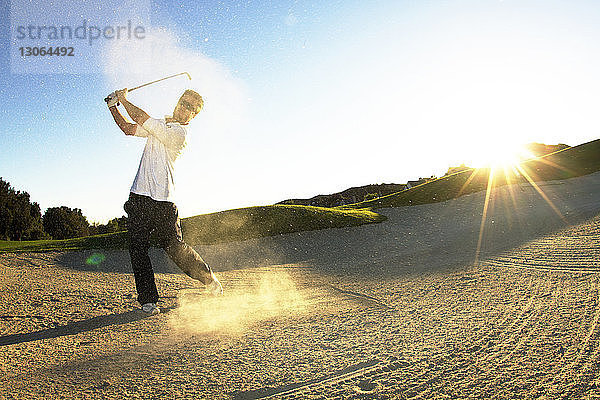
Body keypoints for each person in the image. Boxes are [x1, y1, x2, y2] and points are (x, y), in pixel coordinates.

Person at [106, 88, 223, 315]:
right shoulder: (159, 124)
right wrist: (113, 107)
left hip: (163, 201)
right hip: (139, 197)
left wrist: (123, 100)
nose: (184, 108)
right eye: (183, 102)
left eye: (190, 107)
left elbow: (140, 118)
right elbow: (129, 128)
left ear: (193, 116)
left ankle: (209, 280)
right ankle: (148, 301)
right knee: (138, 249)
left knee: (174, 247)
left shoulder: (179, 134)